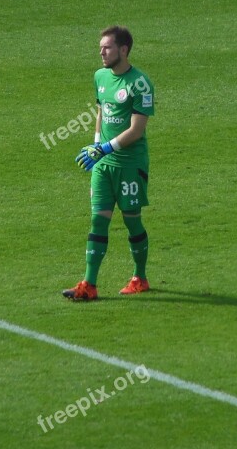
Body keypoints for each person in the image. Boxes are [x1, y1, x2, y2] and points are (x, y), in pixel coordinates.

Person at [63, 26, 155, 301]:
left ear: (123, 50)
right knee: (97, 220)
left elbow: (136, 130)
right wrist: (95, 142)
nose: (101, 52)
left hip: (130, 164)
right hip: (104, 164)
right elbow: (101, 110)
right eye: (101, 47)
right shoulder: (100, 76)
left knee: (132, 221)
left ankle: (140, 277)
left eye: (107, 47)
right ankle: (89, 285)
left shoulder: (140, 83)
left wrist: (104, 147)